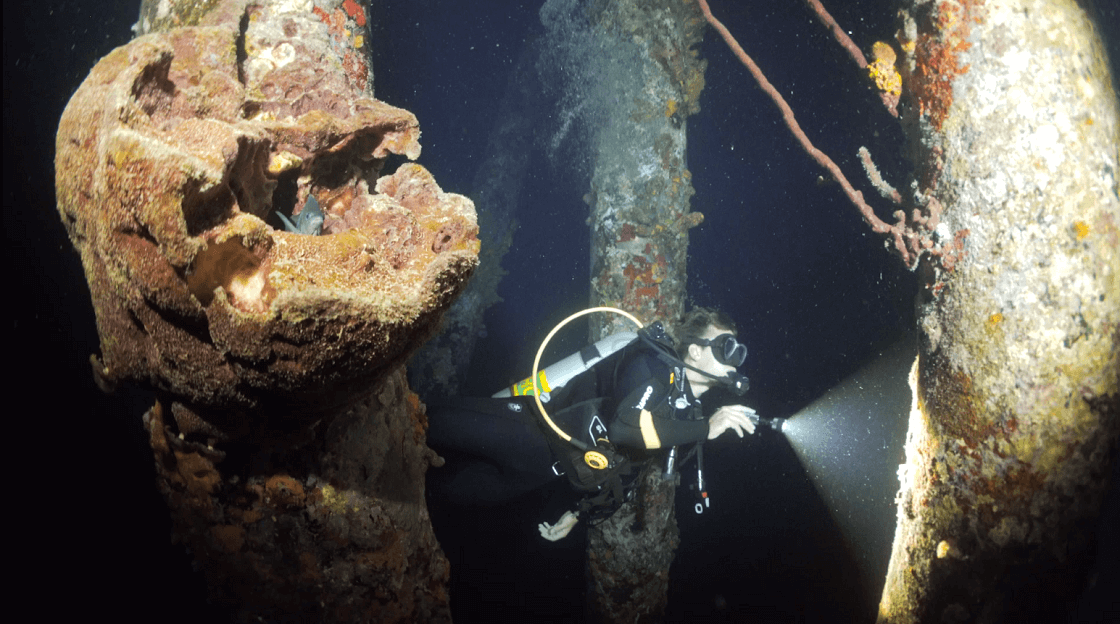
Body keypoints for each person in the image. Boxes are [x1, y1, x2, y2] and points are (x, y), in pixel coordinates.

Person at [424, 306, 759, 540]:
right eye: (725, 347)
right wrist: (706, 428)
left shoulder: (688, 417)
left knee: (440, 495)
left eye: (738, 351)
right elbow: (624, 428)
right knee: (428, 421)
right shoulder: (655, 363)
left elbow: (630, 469)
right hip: (533, 426)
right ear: (696, 352)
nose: (735, 359)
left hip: (542, 471)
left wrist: (580, 512)